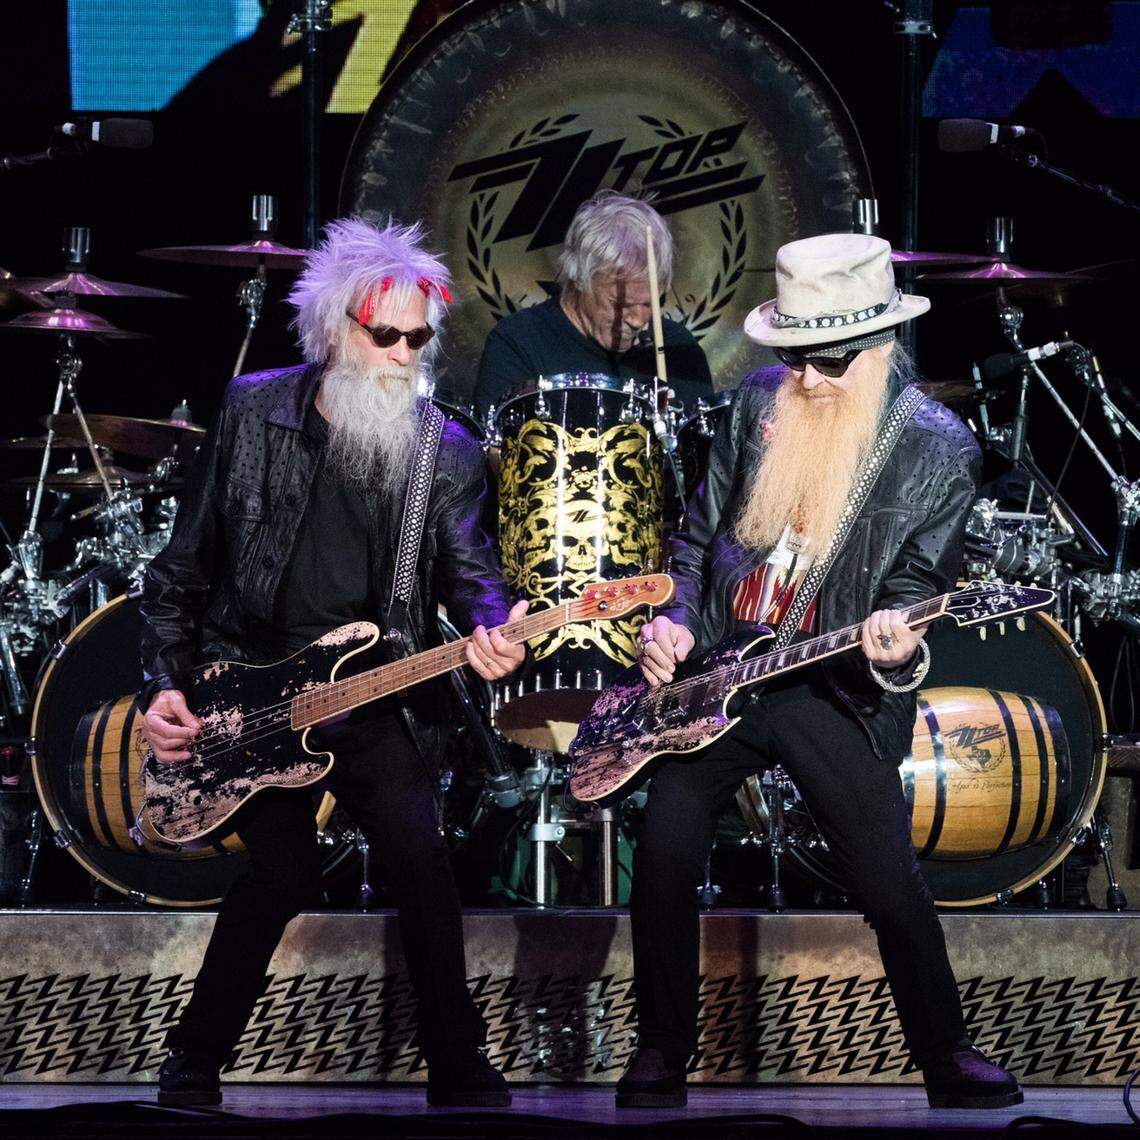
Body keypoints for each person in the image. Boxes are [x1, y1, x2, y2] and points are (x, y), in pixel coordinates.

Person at [619, 233, 1023, 1110]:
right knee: (664, 845)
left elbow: (916, 590)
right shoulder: (758, 403)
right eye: (794, 355)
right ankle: (660, 1051)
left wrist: (899, 646)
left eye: (827, 361)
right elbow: (697, 539)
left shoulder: (935, 447)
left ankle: (946, 1055)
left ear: (878, 347)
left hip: (827, 682)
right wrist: (676, 624)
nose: (805, 377)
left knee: (884, 878)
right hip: (722, 674)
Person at [138, 218, 526, 1109]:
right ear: (333, 329)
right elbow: (178, 571)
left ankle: (455, 1063)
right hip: (247, 684)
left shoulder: (447, 450)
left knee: (424, 863)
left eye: (417, 338)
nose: (400, 354)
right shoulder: (251, 408)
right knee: (279, 872)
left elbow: (472, 576)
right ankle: (193, 1059)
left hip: (368, 689)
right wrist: (166, 682)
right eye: (380, 333)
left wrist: (494, 629)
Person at [473, 191, 713, 419]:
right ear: (580, 279)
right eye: (621, 303)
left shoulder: (679, 350)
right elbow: (496, 452)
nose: (639, 320)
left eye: (650, 303)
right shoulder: (518, 342)